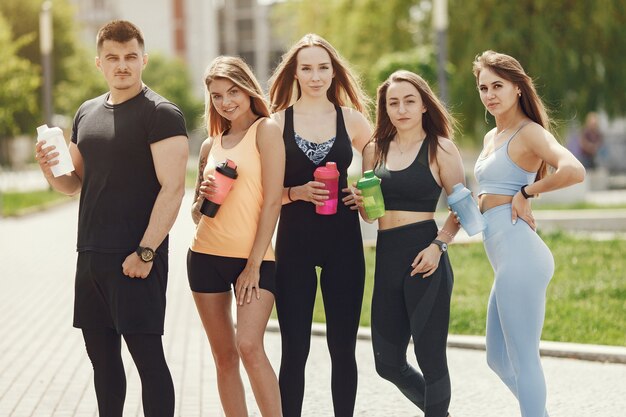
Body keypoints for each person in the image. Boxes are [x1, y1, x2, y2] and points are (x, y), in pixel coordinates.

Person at [34, 20, 188, 417]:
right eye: (113, 58)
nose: (123, 65)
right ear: (99, 62)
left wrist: (146, 251)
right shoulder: (86, 113)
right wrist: (50, 170)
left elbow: (173, 189)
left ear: (144, 60)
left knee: (148, 362)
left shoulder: (162, 114)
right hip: (90, 259)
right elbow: (73, 183)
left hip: (136, 258)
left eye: (130, 57)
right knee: (103, 364)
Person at [472, 50, 585, 417]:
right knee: (497, 358)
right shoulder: (493, 135)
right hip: (505, 256)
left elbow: (573, 170)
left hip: (521, 255)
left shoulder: (529, 131)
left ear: (518, 88)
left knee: (523, 360)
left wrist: (526, 193)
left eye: (498, 86)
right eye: (483, 87)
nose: (490, 94)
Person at [268, 33, 372, 417]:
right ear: (294, 73)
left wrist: (364, 193)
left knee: (342, 347)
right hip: (293, 245)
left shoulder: (353, 120)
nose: (315, 76)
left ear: (334, 72)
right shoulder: (276, 123)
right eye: (307, 68)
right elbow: (263, 194)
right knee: (294, 348)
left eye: (323, 67)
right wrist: (294, 192)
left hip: (344, 243)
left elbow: (380, 171)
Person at [355, 70, 463, 417]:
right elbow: (372, 215)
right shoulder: (374, 150)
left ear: (423, 106)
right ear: (385, 110)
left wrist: (439, 245)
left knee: (431, 359)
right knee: (387, 362)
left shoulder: (440, 148)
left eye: (409, 101)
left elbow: (463, 208)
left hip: (425, 256)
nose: (401, 109)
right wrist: (363, 206)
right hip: (387, 256)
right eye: (393, 103)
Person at [188, 56, 285, 417]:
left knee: (248, 346)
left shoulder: (267, 130)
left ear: (247, 89)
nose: (225, 101)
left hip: (254, 259)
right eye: (216, 96)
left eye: (232, 91)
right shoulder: (209, 146)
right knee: (224, 357)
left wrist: (254, 264)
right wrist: (202, 199)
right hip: (204, 256)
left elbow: (273, 200)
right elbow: (195, 214)